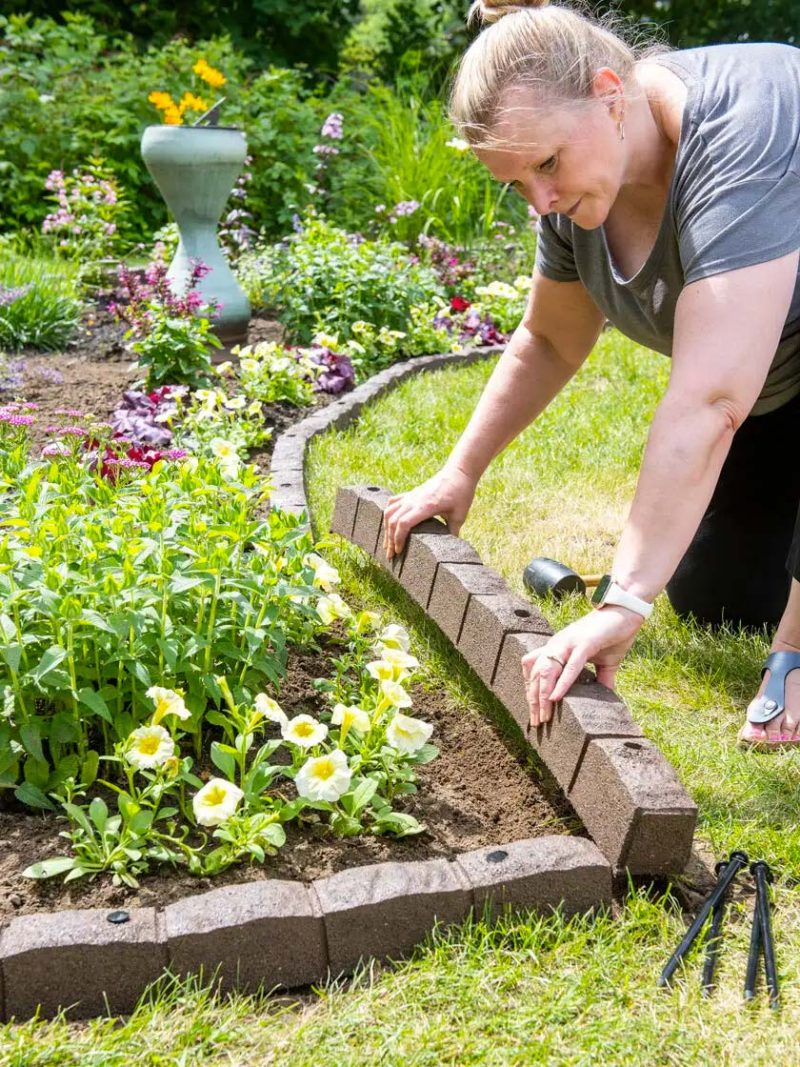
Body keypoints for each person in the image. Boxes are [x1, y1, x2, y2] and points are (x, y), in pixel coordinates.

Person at [381, 0, 800, 749]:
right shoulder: (576, 199)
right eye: (518, 184)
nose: (541, 202)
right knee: (716, 596)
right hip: (782, 383)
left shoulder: (742, 134)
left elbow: (709, 400)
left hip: (759, 378)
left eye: (546, 165)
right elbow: (548, 338)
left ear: (612, 94)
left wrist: (623, 602)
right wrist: (460, 471)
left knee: (719, 604)